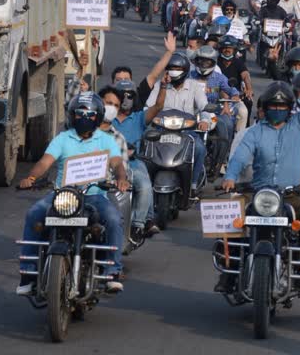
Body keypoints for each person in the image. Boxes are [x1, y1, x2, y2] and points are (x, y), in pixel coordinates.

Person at [219, 53, 300, 296]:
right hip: (257, 193)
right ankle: (228, 271)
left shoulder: (298, 125)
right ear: (264, 108)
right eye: (273, 106)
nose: (277, 110)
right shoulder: (255, 133)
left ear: (290, 109)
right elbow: (241, 156)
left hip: (288, 195)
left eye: (282, 106)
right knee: (226, 215)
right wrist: (230, 177)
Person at [17, 92, 129, 294]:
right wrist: (31, 178)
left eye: (90, 114)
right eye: (80, 113)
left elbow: (117, 163)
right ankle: (28, 272)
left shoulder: (105, 140)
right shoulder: (63, 138)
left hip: (94, 196)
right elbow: (45, 162)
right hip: (62, 195)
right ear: (72, 115)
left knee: (113, 218)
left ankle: (112, 271)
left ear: (98, 116)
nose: (84, 118)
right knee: (34, 213)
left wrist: (121, 178)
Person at [104, 77, 168, 240]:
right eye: (122, 96)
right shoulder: (105, 118)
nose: (126, 100)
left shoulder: (139, 117)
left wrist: (164, 86)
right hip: (106, 163)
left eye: (130, 96)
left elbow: (159, 106)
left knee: (145, 186)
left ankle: (138, 225)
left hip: (133, 162)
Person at [145, 52, 210, 190]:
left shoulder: (194, 86)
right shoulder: (160, 85)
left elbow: (204, 107)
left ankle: (193, 183)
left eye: (178, 69)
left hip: (186, 131)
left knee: (199, 149)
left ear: (185, 71)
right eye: (171, 68)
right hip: (161, 130)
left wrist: (204, 120)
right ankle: (145, 181)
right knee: (144, 145)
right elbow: (149, 106)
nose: (174, 72)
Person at [190, 45, 241, 177]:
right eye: (201, 61)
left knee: (227, 125)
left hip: (214, 113)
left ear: (213, 62)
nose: (204, 64)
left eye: (208, 61)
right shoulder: (189, 76)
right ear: (196, 61)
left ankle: (219, 161)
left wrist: (234, 95)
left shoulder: (219, 77)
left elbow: (230, 89)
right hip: (191, 112)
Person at [111, 32, 177, 111]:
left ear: (132, 82)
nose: (123, 83)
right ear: (112, 83)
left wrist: (169, 52)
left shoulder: (139, 95)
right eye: (118, 80)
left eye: (126, 79)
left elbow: (153, 75)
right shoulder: (106, 100)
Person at [218, 35, 253, 129]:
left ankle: (240, 136)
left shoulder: (238, 62)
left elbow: (245, 75)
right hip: (216, 98)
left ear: (234, 50)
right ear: (220, 49)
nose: (227, 50)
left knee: (243, 111)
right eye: (224, 48)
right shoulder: (215, 63)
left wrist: (249, 88)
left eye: (230, 48)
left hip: (234, 98)